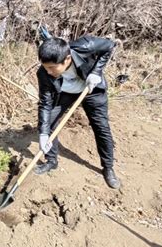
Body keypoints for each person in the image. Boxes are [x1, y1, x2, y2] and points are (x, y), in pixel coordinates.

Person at [35, 36, 122, 189]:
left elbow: (109, 45)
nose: (48, 72)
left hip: (92, 89)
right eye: (45, 67)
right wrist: (43, 133)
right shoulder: (43, 73)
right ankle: (51, 161)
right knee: (48, 124)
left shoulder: (86, 46)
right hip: (65, 92)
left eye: (52, 68)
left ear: (67, 59)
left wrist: (96, 72)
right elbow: (45, 103)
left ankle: (108, 168)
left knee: (101, 127)